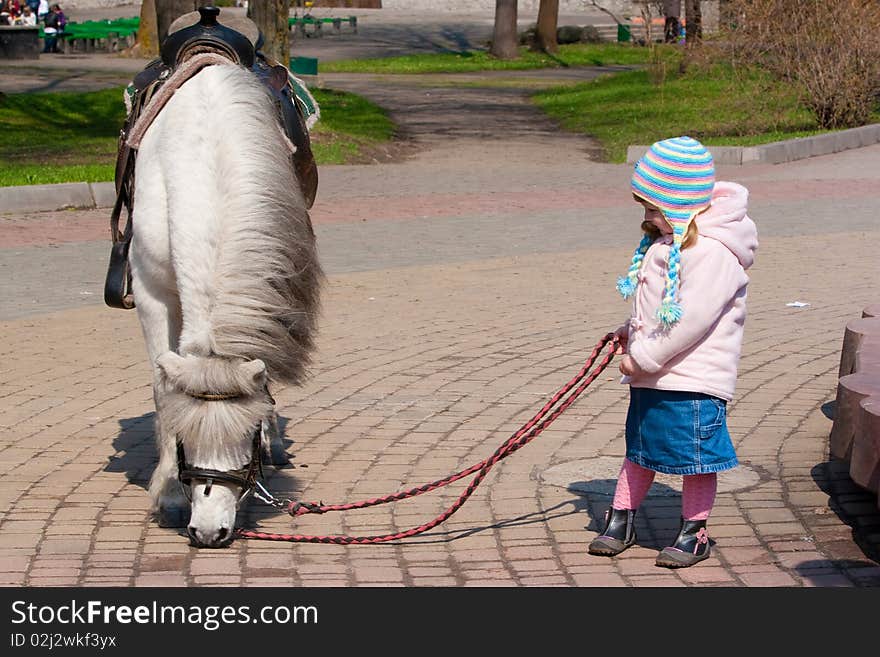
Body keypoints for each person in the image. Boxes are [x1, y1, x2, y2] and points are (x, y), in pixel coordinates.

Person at [587, 136, 758, 568]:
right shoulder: (669, 243)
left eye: (652, 209)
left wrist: (644, 357)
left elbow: (691, 322)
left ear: (681, 205)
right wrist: (630, 331)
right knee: (640, 448)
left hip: (692, 377)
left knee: (695, 458)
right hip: (656, 372)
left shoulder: (712, 253)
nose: (647, 218)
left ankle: (693, 531)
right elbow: (661, 309)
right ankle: (621, 517)